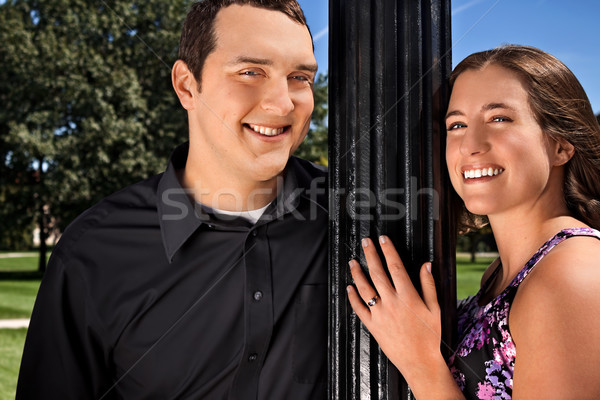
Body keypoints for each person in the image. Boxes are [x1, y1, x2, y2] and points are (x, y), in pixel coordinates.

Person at [17, 1, 328, 399]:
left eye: (300, 77)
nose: (284, 103)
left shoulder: (352, 218)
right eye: (251, 72)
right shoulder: (92, 253)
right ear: (186, 85)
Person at [347, 45, 600, 399]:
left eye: (499, 119)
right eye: (457, 124)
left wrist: (421, 364)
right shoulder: (502, 273)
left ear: (561, 145)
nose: (470, 144)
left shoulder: (571, 275)